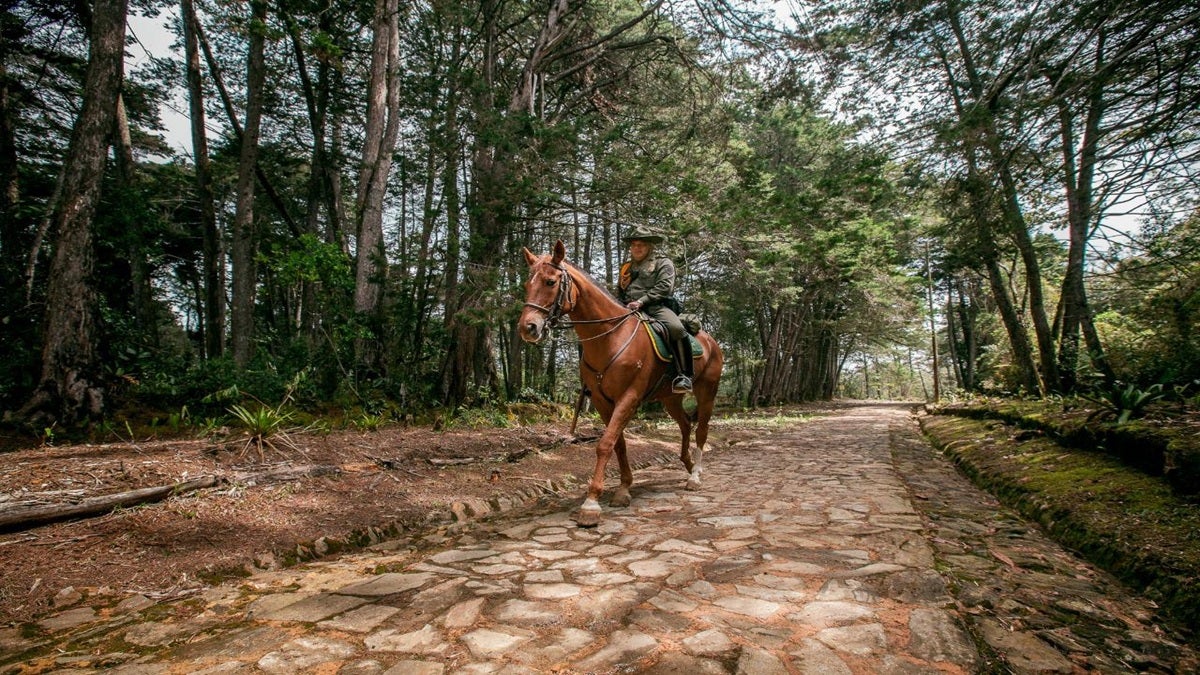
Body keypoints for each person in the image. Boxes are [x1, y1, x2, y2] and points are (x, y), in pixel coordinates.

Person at [617, 226, 693, 393]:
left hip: (655, 307)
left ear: (650, 246)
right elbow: (621, 291)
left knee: (676, 328)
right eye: (634, 245)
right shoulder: (626, 267)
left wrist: (641, 301)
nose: (637, 248)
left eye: (641, 245)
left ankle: (684, 375)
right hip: (627, 307)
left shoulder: (663, 262)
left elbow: (665, 287)